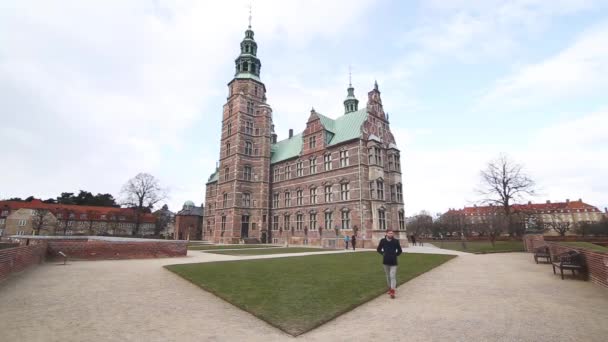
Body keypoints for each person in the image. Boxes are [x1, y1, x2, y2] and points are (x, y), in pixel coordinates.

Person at [377, 229, 403, 299]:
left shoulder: (396, 241)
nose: (391, 234)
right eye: (389, 233)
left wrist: (395, 255)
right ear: (386, 234)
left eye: (392, 233)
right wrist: (383, 254)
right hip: (385, 261)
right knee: (388, 276)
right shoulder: (383, 241)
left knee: (392, 276)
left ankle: (392, 291)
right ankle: (390, 288)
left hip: (394, 262)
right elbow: (378, 249)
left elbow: (400, 251)